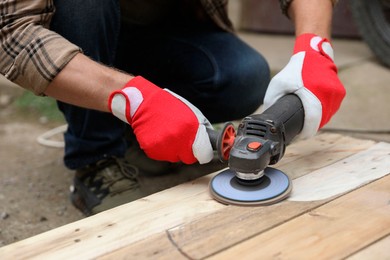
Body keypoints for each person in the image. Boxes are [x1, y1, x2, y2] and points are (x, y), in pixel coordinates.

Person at [0, 0, 345, 216]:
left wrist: (315, 47)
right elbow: (11, 31)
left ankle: (144, 139)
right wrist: (135, 100)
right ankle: (96, 156)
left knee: (244, 76)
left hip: (164, 35)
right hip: (81, 38)